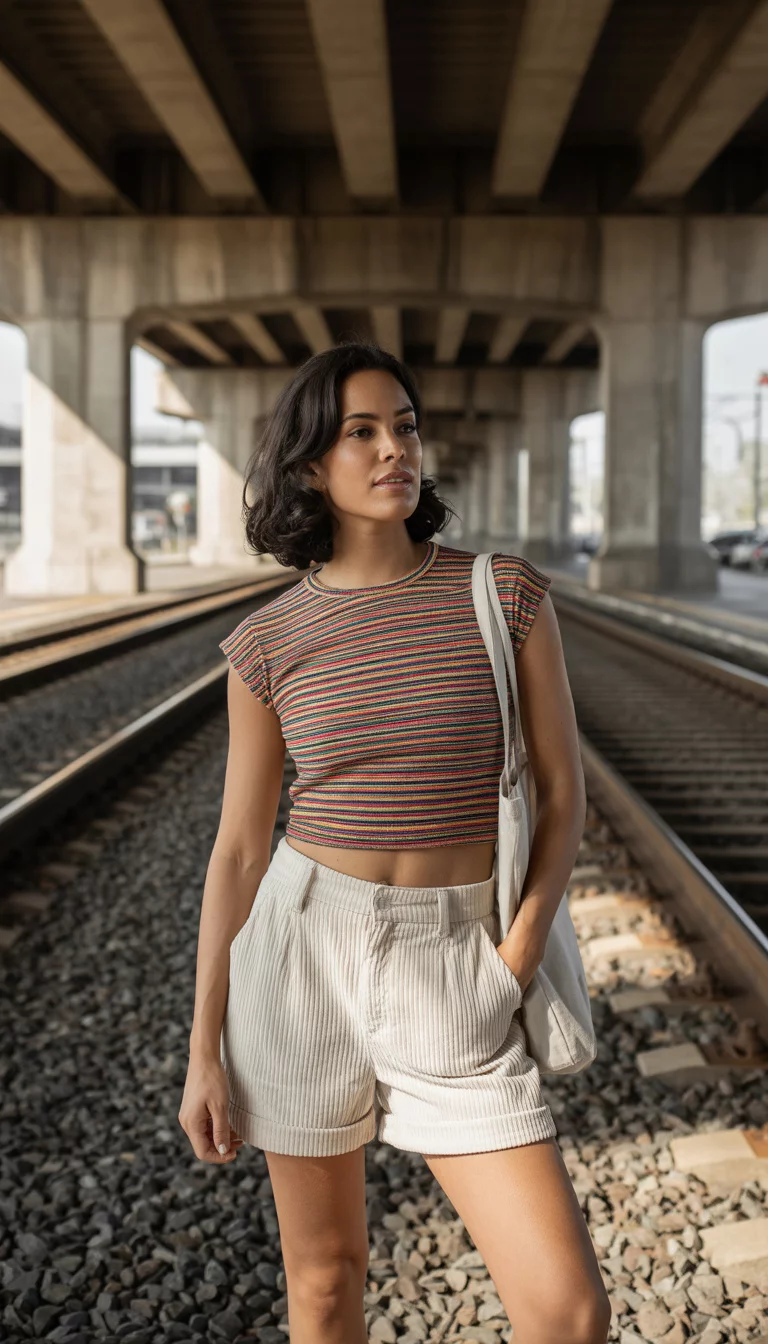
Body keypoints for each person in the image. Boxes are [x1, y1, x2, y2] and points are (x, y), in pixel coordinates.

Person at [179, 341, 611, 1344]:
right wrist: (204, 1049)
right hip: (299, 959)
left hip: (458, 959)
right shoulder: (266, 644)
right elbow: (241, 850)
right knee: (325, 1286)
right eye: (360, 432)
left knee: (568, 1310)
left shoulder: (503, 597)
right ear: (308, 467)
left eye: (404, 426)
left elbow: (563, 795)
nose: (393, 450)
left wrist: (514, 956)